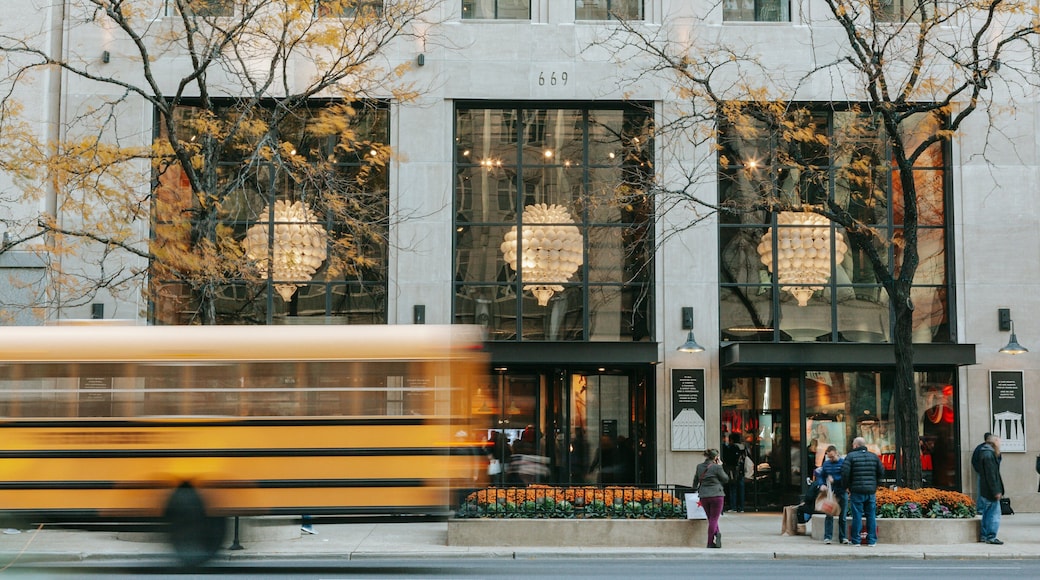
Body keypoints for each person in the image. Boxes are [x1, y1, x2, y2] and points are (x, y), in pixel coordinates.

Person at [841, 436, 884, 546]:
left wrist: (847, 487)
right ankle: (872, 541)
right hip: (870, 491)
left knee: (857, 516)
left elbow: (845, 474)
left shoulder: (850, 457)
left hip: (856, 490)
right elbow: (881, 472)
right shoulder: (874, 457)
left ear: (855, 445)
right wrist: (875, 485)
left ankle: (856, 540)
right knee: (871, 516)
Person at [694, 448, 729, 548]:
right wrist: (720, 466)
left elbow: (695, 481)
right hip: (717, 495)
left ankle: (717, 533)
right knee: (714, 518)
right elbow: (725, 479)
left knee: (711, 518)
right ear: (715, 457)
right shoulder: (717, 467)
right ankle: (710, 542)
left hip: (704, 495)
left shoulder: (699, 467)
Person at [973, 433, 1005, 545]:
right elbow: (992, 475)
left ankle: (984, 535)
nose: (1000, 443)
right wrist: (996, 491)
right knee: (994, 513)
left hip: (986, 489)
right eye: (999, 441)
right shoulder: (988, 454)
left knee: (987, 512)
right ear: (994, 441)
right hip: (990, 490)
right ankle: (991, 536)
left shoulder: (985, 452)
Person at [819, 444, 849, 544]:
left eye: (832, 456)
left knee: (843, 516)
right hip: (830, 493)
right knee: (829, 515)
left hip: (841, 490)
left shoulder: (843, 463)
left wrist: (834, 480)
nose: (831, 459)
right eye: (829, 457)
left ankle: (843, 537)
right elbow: (821, 476)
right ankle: (827, 537)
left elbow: (845, 476)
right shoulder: (826, 464)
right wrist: (822, 484)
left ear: (836, 453)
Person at [722, 432, 747, 512]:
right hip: (741, 470)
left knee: (733, 488)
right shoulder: (743, 448)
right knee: (741, 489)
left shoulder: (732, 448)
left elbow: (728, 459)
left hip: (733, 470)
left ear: (731, 440)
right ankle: (741, 507)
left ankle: (733, 506)